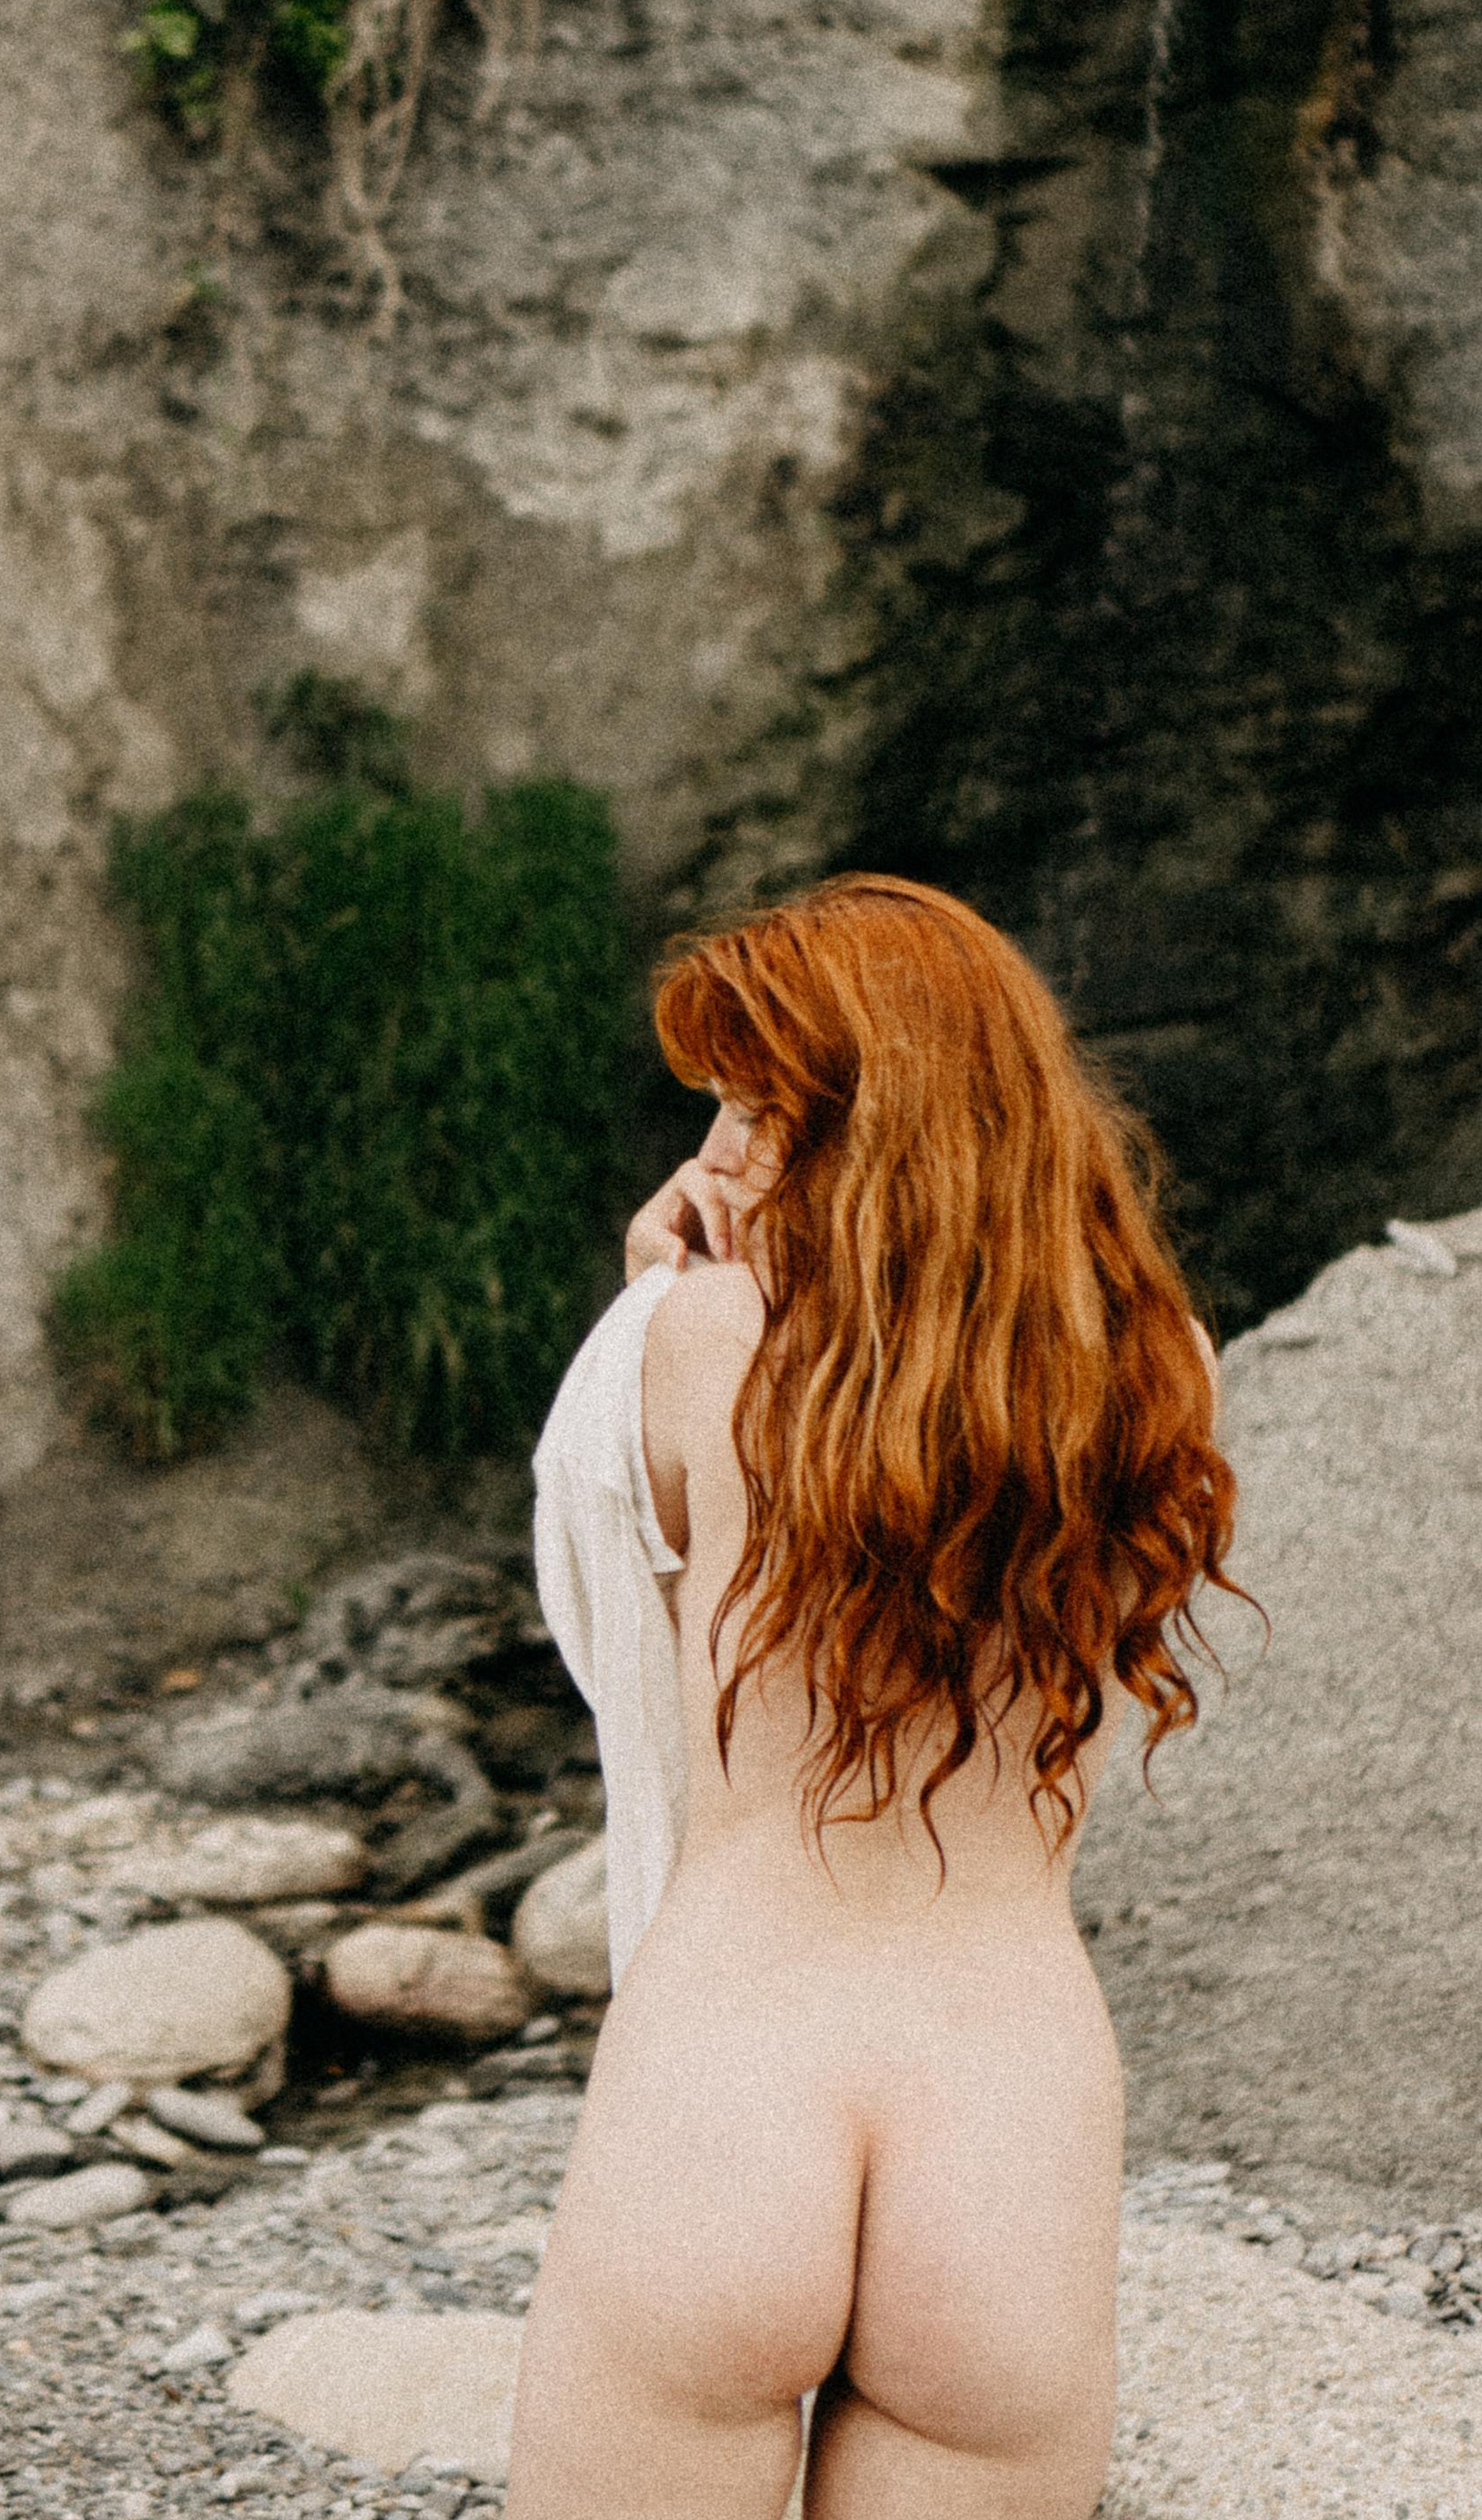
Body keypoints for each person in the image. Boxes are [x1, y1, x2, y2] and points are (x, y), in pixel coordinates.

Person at [511, 873, 1243, 2520]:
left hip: (731, 2077)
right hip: (1010, 2116)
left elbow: (597, 1585)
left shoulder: (689, 1345)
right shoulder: (1161, 1367)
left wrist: (646, 1296)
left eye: (746, 1114)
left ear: (866, 1131)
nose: (706, 1159)